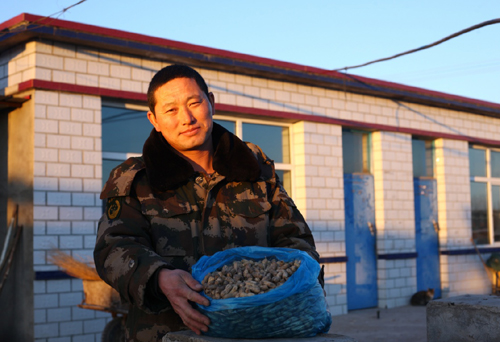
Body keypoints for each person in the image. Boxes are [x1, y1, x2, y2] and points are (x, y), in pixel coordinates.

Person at [94, 64, 323, 342]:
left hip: (256, 332)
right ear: (154, 119)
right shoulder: (134, 179)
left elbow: (297, 241)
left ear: (211, 103)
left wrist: (287, 289)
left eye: (194, 103)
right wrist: (159, 277)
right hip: (165, 333)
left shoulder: (253, 168)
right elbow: (113, 248)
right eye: (171, 110)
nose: (187, 118)